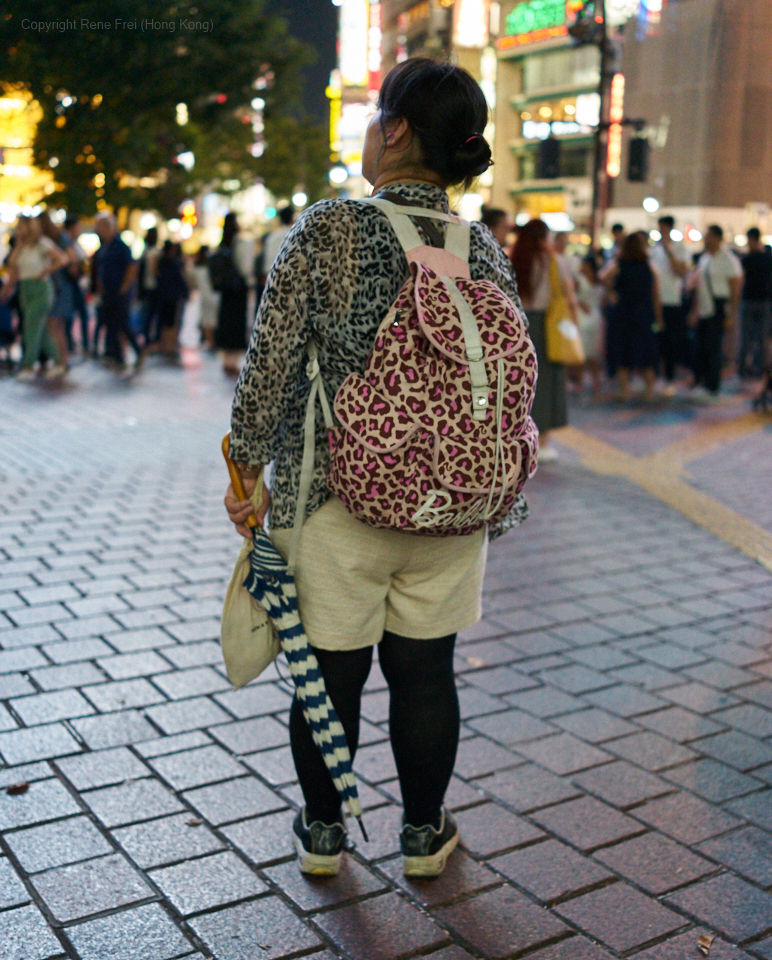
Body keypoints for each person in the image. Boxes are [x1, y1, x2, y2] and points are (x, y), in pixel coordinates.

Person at [224, 58, 523, 879]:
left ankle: (324, 833)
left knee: (331, 675)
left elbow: (271, 363)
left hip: (334, 500)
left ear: (394, 129)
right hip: (452, 507)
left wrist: (244, 467)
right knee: (427, 672)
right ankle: (424, 835)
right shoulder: (482, 247)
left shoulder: (329, 230)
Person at [510, 218, 576, 460]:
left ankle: (517, 438)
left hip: (518, 326)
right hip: (547, 327)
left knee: (519, 382)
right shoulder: (553, 261)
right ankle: (543, 441)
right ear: (542, 238)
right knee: (546, 383)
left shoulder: (514, 259)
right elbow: (568, 296)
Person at [1, 216, 69, 381]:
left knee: (30, 327)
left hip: (41, 289)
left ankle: (28, 366)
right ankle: (60, 363)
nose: (19, 230)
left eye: (22, 227)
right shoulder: (22, 247)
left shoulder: (42, 243)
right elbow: (12, 267)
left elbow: (63, 259)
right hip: (25, 288)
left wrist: (47, 271)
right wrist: (5, 290)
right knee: (40, 330)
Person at [602, 232, 661, 402]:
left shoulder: (620, 264)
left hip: (624, 312)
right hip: (643, 313)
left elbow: (604, 277)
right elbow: (655, 291)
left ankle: (625, 390)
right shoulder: (647, 265)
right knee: (646, 352)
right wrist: (657, 315)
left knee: (623, 352)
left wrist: (612, 293)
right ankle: (649, 390)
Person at [690, 225, 743, 395]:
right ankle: (701, 380)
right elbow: (700, 286)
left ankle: (712, 385)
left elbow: (735, 288)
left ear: (718, 238)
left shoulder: (727, 259)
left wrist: (731, 314)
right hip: (705, 307)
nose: (706, 240)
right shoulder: (705, 258)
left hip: (718, 306)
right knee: (701, 347)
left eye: (709, 236)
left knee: (713, 348)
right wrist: (695, 311)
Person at [94, 213, 141, 374]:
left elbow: (132, 266)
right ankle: (117, 356)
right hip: (109, 291)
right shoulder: (104, 247)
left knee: (122, 323)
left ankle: (137, 352)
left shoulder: (120, 245)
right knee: (112, 324)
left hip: (119, 292)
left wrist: (125, 287)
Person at [650, 215, 690, 388]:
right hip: (655, 302)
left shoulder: (680, 248)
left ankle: (669, 377)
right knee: (655, 339)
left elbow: (681, 272)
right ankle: (655, 375)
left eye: (664, 228)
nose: (661, 231)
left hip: (672, 301)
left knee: (671, 340)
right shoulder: (654, 250)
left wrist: (669, 251)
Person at [209, 212, 248, 376]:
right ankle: (233, 361)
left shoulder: (222, 244)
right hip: (238, 290)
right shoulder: (240, 242)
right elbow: (245, 268)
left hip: (226, 291)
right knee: (237, 324)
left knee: (225, 323)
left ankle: (226, 361)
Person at [739, 227, 772, 379]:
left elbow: (741, 280)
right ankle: (759, 370)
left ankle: (742, 371)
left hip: (749, 300)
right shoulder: (767, 259)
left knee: (746, 338)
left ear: (751, 239)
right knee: (761, 338)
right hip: (764, 301)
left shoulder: (746, 259)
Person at [575, 253, 604, 394]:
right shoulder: (579, 280)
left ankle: (595, 382)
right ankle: (581, 382)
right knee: (582, 353)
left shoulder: (598, 280)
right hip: (583, 317)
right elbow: (573, 297)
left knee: (594, 354)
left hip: (595, 318)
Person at [155, 240, 188, 361]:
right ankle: (170, 346)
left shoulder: (161, 261)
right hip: (173, 295)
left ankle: (165, 345)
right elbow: (180, 278)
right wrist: (186, 292)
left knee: (164, 321)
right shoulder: (174, 262)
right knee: (172, 322)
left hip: (163, 294)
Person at [192, 246, 220, 349]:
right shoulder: (211, 267)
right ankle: (213, 342)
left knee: (206, 320)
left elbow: (193, 283)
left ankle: (210, 341)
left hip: (204, 297)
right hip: (214, 295)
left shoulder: (197, 268)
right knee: (213, 320)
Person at [138, 226, 161, 347]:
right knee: (152, 314)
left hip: (145, 286)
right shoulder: (154, 252)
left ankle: (146, 336)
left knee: (146, 313)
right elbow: (154, 270)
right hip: (153, 286)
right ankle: (150, 338)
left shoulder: (145, 251)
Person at [262, 206, 295, 278]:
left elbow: (268, 259)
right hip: (292, 276)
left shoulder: (273, 236)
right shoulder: (295, 235)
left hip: (274, 276)